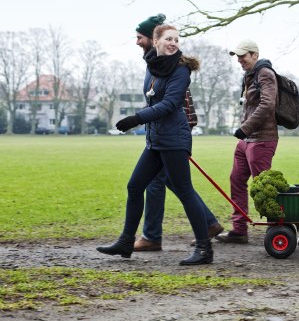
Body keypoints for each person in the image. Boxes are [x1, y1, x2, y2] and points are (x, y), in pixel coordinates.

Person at [97, 24, 213, 265]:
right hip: (156, 141)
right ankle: (126, 241)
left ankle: (204, 250)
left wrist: (136, 119)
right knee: (134, 185)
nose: (173, 43)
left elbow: (170, 103)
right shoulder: (151, 66)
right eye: (168, 39)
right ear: (156, 41)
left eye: (176, 40)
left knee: (183, 189)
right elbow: (152, 96)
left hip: (174, 140)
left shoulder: (181, 70)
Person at [133, 14, 223, 251]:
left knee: (162, 183)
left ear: (153, 39)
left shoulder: (174, 67)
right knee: (173, 182)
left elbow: (178, 102)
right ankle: (209, 224)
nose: (137, 41)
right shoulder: (154, 63)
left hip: (172, 135)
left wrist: (143, 119)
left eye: (140, 37)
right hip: (160, 135)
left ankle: (153, 236)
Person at [215, 39, 278, 244]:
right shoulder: (249, 76)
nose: (240, 59)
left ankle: (280, 227)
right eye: (238, 56)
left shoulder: (265, 74)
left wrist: (245, 128)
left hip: (261, 139)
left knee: (262, 187)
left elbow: (268, 104)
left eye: (244, 55)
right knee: (236, 180)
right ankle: (239, 229)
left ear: (255, 55)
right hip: (247, 140)